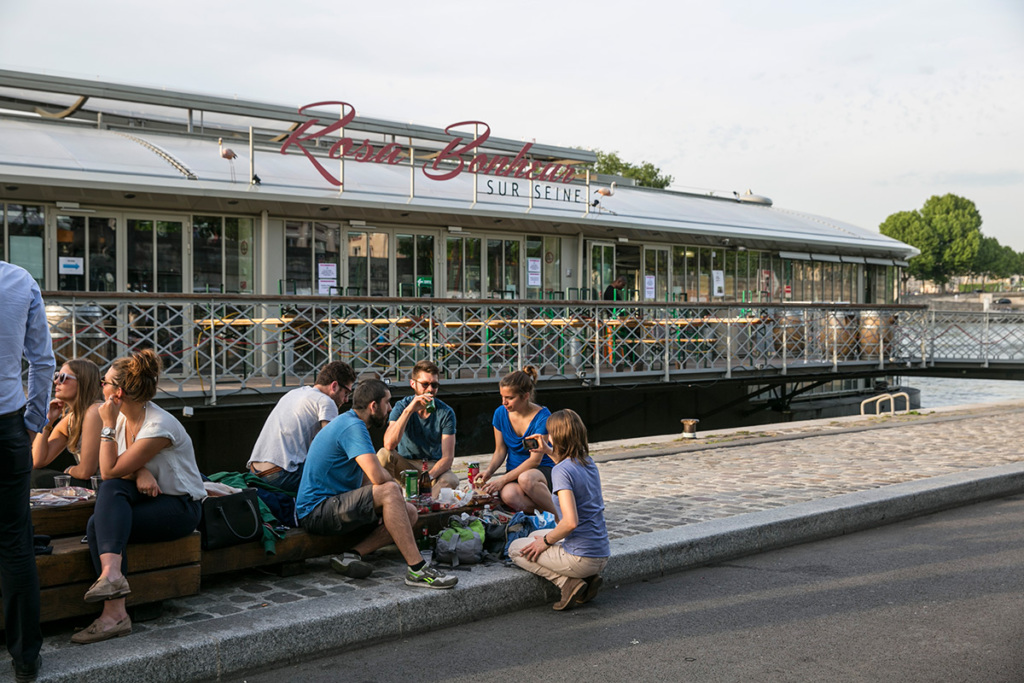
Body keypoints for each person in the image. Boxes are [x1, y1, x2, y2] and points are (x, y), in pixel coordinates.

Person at [71, 349, 206, 645]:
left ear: (117, 392)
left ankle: (113, 611)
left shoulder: (158, 425)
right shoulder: (123, 418)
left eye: (104, 383)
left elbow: (108, 469)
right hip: (149, 498)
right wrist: (141, 471)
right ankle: (113, 582)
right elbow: (114, 472)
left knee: (99, 523)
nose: (100, 388)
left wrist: (107, 427)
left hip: (180, 507)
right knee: (109, 498)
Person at [296, 379, 457, 589]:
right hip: (316, 511)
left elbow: (366, 477)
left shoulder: (351, 422)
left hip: (336, 504)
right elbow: (378, 478)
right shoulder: (353, 426)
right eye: (387, 403)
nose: (390, 408)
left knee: (409, 511)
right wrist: (394, 493)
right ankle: (418, 569)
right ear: (374, 406)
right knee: (390, 491)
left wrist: (392, 502)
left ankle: (351, 555)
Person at [0, 261, 53, 681]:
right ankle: (25, 658)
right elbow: (42, 361)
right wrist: (33, 421)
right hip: (7, 427)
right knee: (15, 541)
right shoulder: (18, 280)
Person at [508, 408, 610, 611]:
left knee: (516, 548)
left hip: (582, 557)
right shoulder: (588, 462)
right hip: (600, 551)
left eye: (550, 433)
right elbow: (566, 467)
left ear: (556, 436)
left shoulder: (560, 471)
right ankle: (587, 580)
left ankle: (568, 583)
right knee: (536, 534)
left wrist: (545, 543)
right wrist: (548, 450)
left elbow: (570, 522)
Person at [246, 360, 356, 493]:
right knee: (343, 477)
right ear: (334, 386)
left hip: (255, 472)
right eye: (346, 393)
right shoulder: (326, 402)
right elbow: (333, 447)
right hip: (280, 475)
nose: (346, 400)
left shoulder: (293, 393)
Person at [477, 366, 557, 516]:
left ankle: (560, 517)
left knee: (526, 478)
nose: (504, 402)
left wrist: (502, 480)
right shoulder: (500, 413)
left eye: (509, 398)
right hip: (514, 472)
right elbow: (500, 450)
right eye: (502, 397)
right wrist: (488, 471)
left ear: (525, 396)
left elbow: (535, 461)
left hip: (541, 471)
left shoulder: (542, 417)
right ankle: (544, 514)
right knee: (508, 495)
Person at [376, 360, 458, 497]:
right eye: (425, 384)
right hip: (406, 465)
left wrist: (428, 478)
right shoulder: (402, 407)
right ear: (413, 384)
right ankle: (392, 498)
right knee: (383, 454)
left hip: (433, 466)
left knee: (451, 480)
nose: (430, 389)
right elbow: (389, 444)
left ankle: (422, 506)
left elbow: (448, 458)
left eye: (434, 385)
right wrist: (409, 411)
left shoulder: (446, 412)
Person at [31, 359, 102, 489]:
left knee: (35, 479)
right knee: (33, 476)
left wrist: (68, 470)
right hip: (88, 482)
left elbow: (86, 471)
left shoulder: (95, 411)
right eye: (57, 376)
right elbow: (37, 461)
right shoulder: (71, 418)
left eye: (63, 377)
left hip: (102, 484)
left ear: (82, 382)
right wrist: (48, 421)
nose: (56, 381)